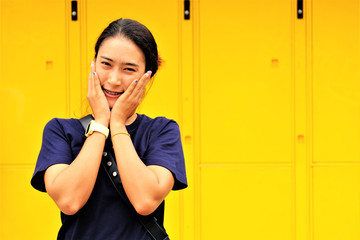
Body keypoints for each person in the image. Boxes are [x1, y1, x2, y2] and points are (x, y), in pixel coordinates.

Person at [31, 18, 187, 240]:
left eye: (129, 69)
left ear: (147, 75)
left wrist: (118, 124)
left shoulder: (161, 131)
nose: (114, 80)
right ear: (93, 63)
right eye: (106, 64)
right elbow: (69, 201)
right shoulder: (60, 131)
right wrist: (101, 122)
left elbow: (145, 201)